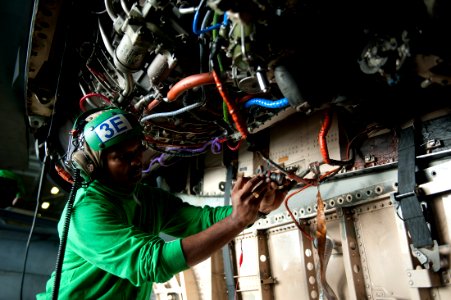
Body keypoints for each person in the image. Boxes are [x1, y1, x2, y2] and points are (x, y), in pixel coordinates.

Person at [36, 107, 291, 299]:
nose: (137, 161)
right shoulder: (85, 212)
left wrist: (258, 208)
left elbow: (200, 221)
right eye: (123, 157)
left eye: (137, 151)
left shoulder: (145, 197)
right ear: (91, 165)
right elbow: (154, 263)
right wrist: (237, 220)